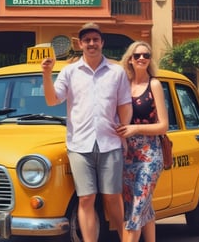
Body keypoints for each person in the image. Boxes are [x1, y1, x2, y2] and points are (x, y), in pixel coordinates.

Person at [41, 22, 133, 242]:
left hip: (110, 143)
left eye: (95, 39)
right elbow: (53, 100)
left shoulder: (116, 72)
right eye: (87, 40)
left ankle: (125, 238)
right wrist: (46, 73)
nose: (91, 44)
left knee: (113, 197)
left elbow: (124, 105)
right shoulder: (69, 72)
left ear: (102, 42)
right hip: (79, 145)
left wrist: (125, 129)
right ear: (80, 44)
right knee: (86, 199)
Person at [117, 41, 169, 242]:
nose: (141, 58)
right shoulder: (123, 85)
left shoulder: (154, 84)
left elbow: (163, 125)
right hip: (126, 155)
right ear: (129, 59)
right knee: (139, 205)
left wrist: (135, 128)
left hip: (150, 154)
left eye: (146, 55)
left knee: (137, 208)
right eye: (137, 55)